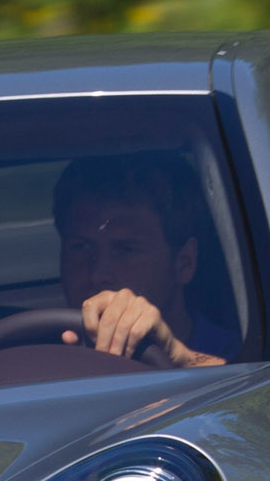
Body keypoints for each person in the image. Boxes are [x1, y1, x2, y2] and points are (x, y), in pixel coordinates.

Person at [49, 155, 241, 367]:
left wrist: (177, 355)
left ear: (184, 263)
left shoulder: (249, 353)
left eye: (125, 250)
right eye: (81, 246)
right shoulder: (37, 352)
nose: (97, 275)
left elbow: (252, 390)